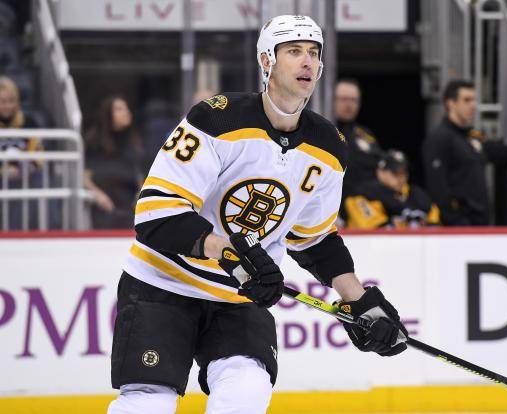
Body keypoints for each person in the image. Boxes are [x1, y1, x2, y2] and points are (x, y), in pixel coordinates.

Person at [107, 15, 408, 414]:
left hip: (240, 295)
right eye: (294, 51)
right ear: (267, 61)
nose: (307, 61)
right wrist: (231, 253)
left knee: (246, 390)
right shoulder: (216, 119)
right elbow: (156, 214)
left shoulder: (329, 148)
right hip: (163, 284)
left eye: (314, 53)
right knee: (149, 404)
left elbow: (314, 239)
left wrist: (361, 301)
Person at [422, 80, 507, 226]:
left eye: (474, 100)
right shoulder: (439, 139)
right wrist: (458, 223)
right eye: (467, 100)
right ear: (451, 103)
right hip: (458, 228)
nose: (473, 105)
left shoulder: (472, 137)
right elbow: (438, 189)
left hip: (481, 224)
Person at [84, 95, 144, 229]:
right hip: (104, 209)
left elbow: (139, 175)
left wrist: (141, 196)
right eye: (119, 109)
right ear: (107, 114)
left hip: (130, 210)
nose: (126, 112)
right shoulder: (95, 142)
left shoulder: (134, 142)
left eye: (126, 109)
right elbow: (84, 177)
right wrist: (98, 195)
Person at [342, 149, 438, 229]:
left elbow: (436, 227)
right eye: (395, 173)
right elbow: (375, 232)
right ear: (380, 172)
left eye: (404, 172)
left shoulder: (418, 195)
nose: (401, 178)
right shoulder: (361, 196)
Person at [0, 75, 42, 230]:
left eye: (11, 101)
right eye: (2, 101)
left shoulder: (28, 122)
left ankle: (19, 232)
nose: (7, 106)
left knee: (37, 178)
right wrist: (3, 170)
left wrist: (24, 169)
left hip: (23, 178)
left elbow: (39, 155)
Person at [334, 78, 384, 198]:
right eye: (344, 99)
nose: (349, 105)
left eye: (354, 100)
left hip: (367, 200)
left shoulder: (366, 135)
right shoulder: (321, 131)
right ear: (332, 100)